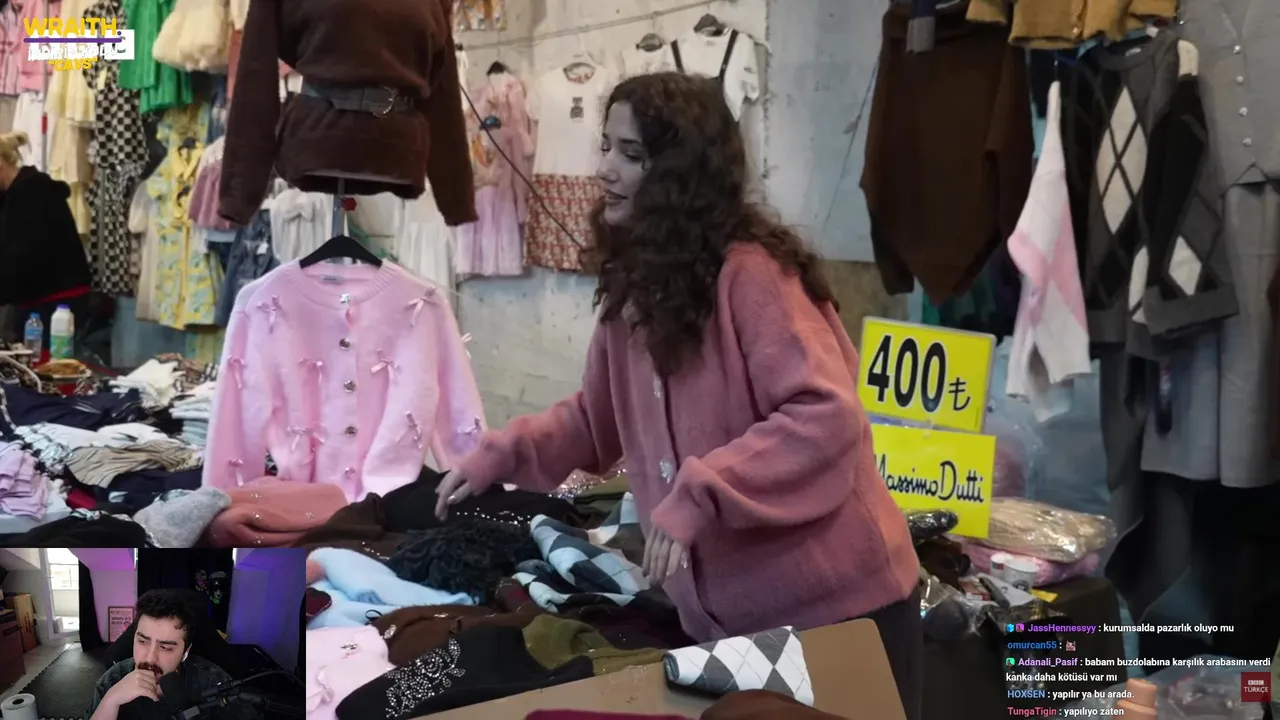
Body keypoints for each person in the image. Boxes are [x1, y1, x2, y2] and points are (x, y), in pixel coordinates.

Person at [435, 72, 923, 719]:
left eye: (631, 154)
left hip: (838, 614)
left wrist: (702, 491)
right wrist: (500, 453)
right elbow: (596, 417)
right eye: (605, 146)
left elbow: (825, 415)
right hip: (731, 629)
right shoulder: (635, 288)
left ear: (681, 172)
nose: (605, 169)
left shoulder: (753, 275)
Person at [86, 589, 258, 720]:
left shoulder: (212, 680)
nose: (150, 658)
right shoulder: (112, 680)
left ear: (185, 652)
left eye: (165, 647)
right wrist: (111, 701)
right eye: (143, 641)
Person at [0, 130, 92, 347]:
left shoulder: (33, 194)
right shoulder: (13, 196)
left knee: (46, 362)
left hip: (56, 300)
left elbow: (25, 258)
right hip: (39, 297)